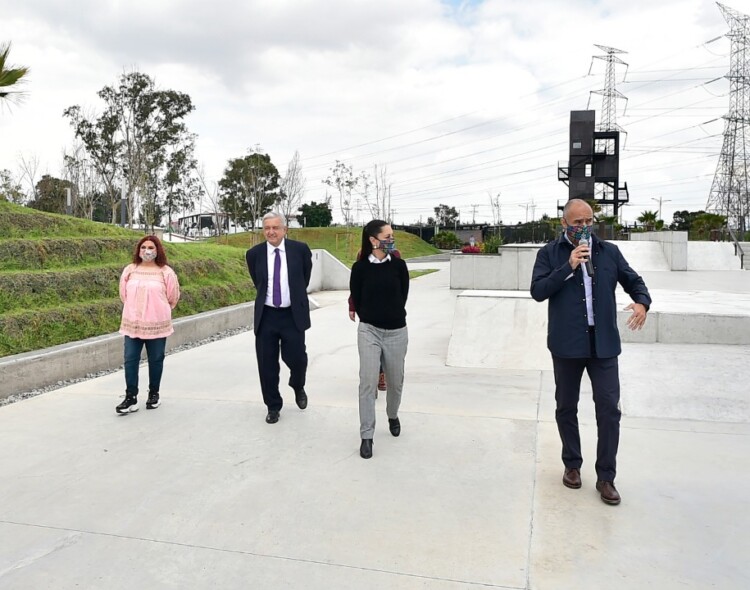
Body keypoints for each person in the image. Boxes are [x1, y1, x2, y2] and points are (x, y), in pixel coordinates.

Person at [530, 199, 651, 505]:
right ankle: (572, 465)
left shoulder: (608, 251)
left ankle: (606, 477)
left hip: (604, 345)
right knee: (566, 407)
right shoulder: (550, 254)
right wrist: (568, 266)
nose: (584, 227)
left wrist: (641, 302)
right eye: (577, 222)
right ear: (564, 223)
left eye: (589, 221)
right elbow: (538, 291)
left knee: (609, 409)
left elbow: (634, 281)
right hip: (567, 345)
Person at [349, 220, 410, 459]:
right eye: (387, 235)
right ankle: (366, 435)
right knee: (367, 381)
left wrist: (389, 315)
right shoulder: (360, 268)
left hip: (396, 331)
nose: (391, 239)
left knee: (395, 382)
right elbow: (357, 295)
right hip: (369, 331)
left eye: (392, 235)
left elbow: (402, 296)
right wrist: (370, 317)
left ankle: (392, 414)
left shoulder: (399, 266)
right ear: (374, 240)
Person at [246, 212, 313, 424]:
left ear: (284, 230)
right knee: (267, 365)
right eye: (267, 228)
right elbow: (259, 282)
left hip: (292, 315)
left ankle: (297, 383)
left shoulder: (300, 250)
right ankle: (273, 406)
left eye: (275, 228)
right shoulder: (254, 254)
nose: (271, 232)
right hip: (267, 315)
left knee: (297, 358)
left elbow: (304, 277)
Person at [116, 235, 180, 414]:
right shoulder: (130, 270)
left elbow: (172, 297)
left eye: (151, 247)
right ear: (138, 250)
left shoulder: (165, 272)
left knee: (156, 359)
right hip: (133, 324)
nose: (147, 251)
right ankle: (130, 397)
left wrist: (158, 310)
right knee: (130, 358)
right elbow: (123, 295)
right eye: (143, 247)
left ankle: (153, 394)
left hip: (157, 324)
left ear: (158, 250)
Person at [347, 247, 402, 395]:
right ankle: (373, 380)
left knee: (385, 350)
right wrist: (352, 306)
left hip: (390, 313)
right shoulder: (363, 255)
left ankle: (381, 374)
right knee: (371, 350)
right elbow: (356, 285)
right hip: (368, 313)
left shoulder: (395, 255)